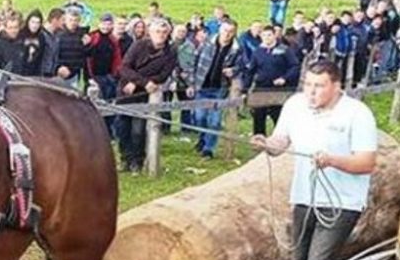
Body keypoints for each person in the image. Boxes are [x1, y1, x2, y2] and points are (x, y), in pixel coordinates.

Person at [252, 59, 378, 260]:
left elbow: (366, 162)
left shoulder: (357, 114)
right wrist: (267, 144)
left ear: (336, 86)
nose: (311, 92)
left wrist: (333, 160)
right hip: (305, 195)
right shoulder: (295, 105)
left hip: (342, 201)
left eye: (319, 86)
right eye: (308, 84)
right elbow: (282, 141)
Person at [117, 18, 177, 173]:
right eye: (158, 31)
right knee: (122, 127)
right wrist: (142, 81)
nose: (161, 35)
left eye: (164, 32)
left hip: (145, 95)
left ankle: (137, 160)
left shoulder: (170, 52)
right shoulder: (139, 45)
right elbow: (124, 67)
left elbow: (163, 75)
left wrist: (138, 82)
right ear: (150, 32)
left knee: (138, 130)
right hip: (126, 92)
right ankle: (125, 159)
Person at [188, 19, 239, 159]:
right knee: (199, 118)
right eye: (224, 30)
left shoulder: (236, 49)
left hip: (219, 89)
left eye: (230, 32)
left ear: (234, 33)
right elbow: (194, 62)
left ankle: (208, 149)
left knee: (215, 122)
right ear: (219, 30)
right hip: (201, 86)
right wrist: (191, 84)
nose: (227, 34)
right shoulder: (207, 43)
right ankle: (202, 138)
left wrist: (233, 70)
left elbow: (242, 66)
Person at [243, 25, 300, 136]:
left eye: (269, 35)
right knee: (258, 115)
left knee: (277, 115)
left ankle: (280, 139)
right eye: (264, 35)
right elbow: (250, 71)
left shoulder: (284, 50)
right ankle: (259, 140)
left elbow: (295, 66)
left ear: (275, 35)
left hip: (278, 88)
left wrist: (284, 78)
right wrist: (245, 90)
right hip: (261, 88)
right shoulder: (258, 51)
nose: (267, 38)